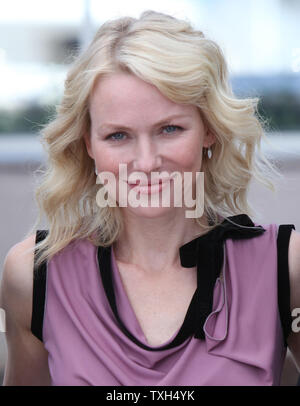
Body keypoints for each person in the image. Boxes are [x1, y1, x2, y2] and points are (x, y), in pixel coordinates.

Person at [0, 10, 299, 386]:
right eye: (118, 136)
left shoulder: (285, 266)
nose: (145, 163)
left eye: (169, 128)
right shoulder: (33, 276)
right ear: (87, 143)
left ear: (209, 129)